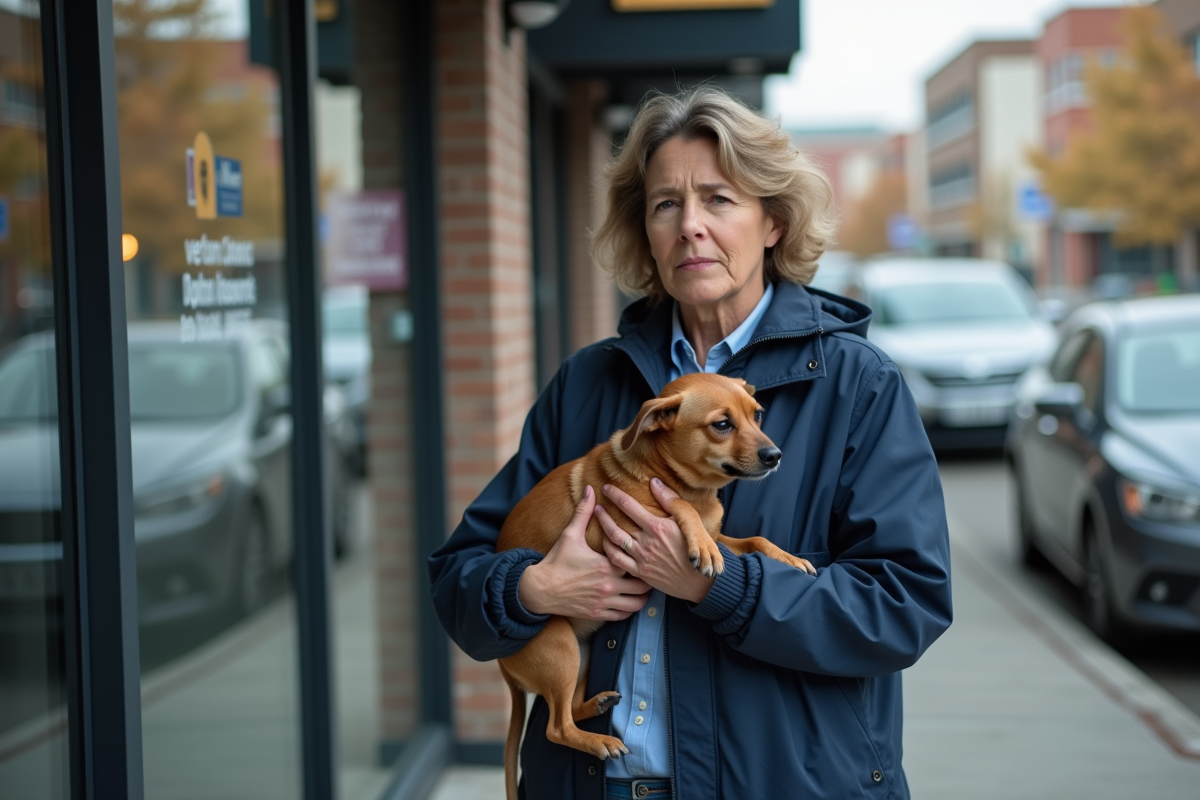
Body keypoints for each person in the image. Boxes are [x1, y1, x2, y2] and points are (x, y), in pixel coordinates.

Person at [428, 85, 952, 800]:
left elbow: (905, 605)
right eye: (665, 204)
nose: (690, 227)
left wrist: (717, 583)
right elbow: (458, 578)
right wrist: (532, 587)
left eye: (719, 200)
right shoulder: (588, 384)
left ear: (772, 221)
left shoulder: (856, 386)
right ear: (644, 230)